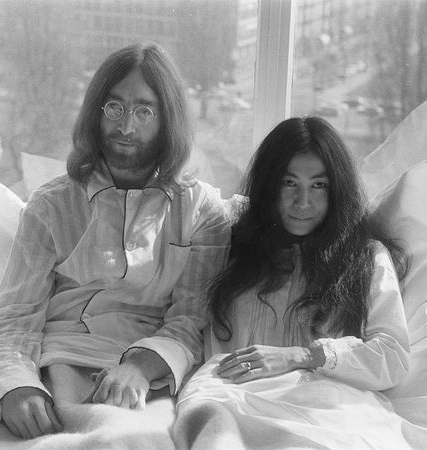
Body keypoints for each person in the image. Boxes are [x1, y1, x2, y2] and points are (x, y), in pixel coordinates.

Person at [0, 43, 230, 440]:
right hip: (48, 361)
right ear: (96, 111)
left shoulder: (202, 211)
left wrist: (140, 367)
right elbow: (14, 317)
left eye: (144, 111)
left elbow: (191, 321)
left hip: (143, 373)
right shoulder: (51, 205)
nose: (126, 127)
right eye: (115, 107)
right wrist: (13, 386)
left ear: (168, 120)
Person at [173, 116, 411, 449]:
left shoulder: (364, 258)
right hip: (226, 399)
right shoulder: (229, 244)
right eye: (289, 182)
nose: (302, 201)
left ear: (337, 189)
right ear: (269, 185)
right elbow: (184, 321)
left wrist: (301, 356)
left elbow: (393, 356)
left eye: (319, 185)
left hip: (322, 408)